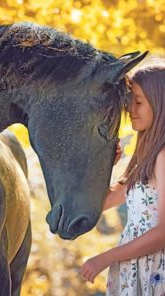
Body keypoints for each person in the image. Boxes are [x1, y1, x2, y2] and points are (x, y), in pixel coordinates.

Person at [80, 61, 165, 295]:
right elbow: (101, 203)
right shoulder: (146, 159)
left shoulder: (164, 157)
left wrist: (105, 258)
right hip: (135, 272)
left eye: (138, 101)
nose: (131, 110)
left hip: (156, 274)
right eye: (130, 102)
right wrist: (105, 164)